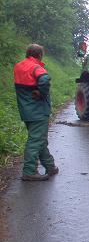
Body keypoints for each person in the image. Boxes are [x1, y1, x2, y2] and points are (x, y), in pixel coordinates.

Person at [13, 44, 58, 181]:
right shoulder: (36, 67)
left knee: (39, 140)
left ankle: (50, 166)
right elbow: (44, 80)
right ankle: (29, 171)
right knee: (35, 141)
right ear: (39, 55)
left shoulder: (18, 66)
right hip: (38, 111)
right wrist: (42, 93)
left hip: (26, 111)